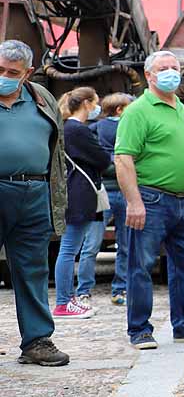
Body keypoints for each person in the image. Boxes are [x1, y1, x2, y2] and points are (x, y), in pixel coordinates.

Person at [115, 50, 184, 349]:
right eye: (163, 68)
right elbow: (123, 159)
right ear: (149, 75)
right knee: (141, 266)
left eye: (175, 67)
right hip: (151, 199)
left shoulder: (181, 109)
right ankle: (139, 330)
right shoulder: (138, 111)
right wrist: (134, 202)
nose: (171, 72)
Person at [0, 40, 70, 366]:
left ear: (27, 73)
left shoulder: (42, 99)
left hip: (34, 191)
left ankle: (37, 341)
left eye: (11, 72)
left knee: (33, 268)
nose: (3, 76)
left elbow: (57, 149)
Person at [53, 87, 111, 319]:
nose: (97, 108)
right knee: (69, 250)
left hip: (75, 193)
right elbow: (102, 159)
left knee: (69, 249)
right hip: (79, 195)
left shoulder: (67, 128)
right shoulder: (77, 130)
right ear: (87, 103)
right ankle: (63, 302)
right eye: (95, 102)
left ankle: (67, 299)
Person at [95, 93, 133, 305]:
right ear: (119, 109)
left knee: (90, 243)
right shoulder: (129, 126)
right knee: (125, 244)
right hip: (125, 192)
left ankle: (83, 291)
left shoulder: (96, 128)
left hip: (104, 190)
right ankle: (120, 290)